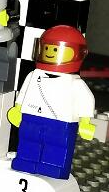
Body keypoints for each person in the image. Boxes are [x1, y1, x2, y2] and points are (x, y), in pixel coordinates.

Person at [8, 25, 96, 179]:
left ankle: (53, 167)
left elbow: (87, 100)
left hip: (61, 122)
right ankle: (26, 161)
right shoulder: (34, 75)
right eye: (47, 48)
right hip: (30, 117)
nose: (50, 53)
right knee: (28, 140)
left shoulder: (75, 82)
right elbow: (24, 93)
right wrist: (18, 108)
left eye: (56, 50)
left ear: (77, 54)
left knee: (57, 145)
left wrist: (85, 121)